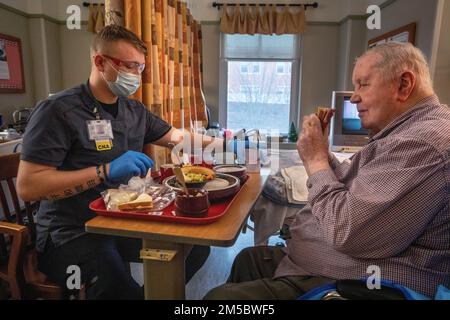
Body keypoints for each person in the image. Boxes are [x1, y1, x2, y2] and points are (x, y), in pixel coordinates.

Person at [204, 42, 450, 299]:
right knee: (248, 259)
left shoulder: (424, 144)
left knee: (220, 300)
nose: (353, 97)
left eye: (363, 84)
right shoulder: (404, 133)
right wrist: (323, 155)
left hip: (360, 286)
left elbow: (350, 232)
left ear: (404, 85)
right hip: (320, 264)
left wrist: (316, 161)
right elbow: (360, 189)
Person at [17, 25, 220, 300]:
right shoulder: (58, 111)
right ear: (100, 61)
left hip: (122, 220)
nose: (136, 75)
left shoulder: (133, 110)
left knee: (195, 247)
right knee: (118, 288)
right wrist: (104, 171)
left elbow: (176, 136)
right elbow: (28, 187)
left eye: (140, 68)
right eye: (129, 66)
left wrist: (224, 145)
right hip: (72, 232)